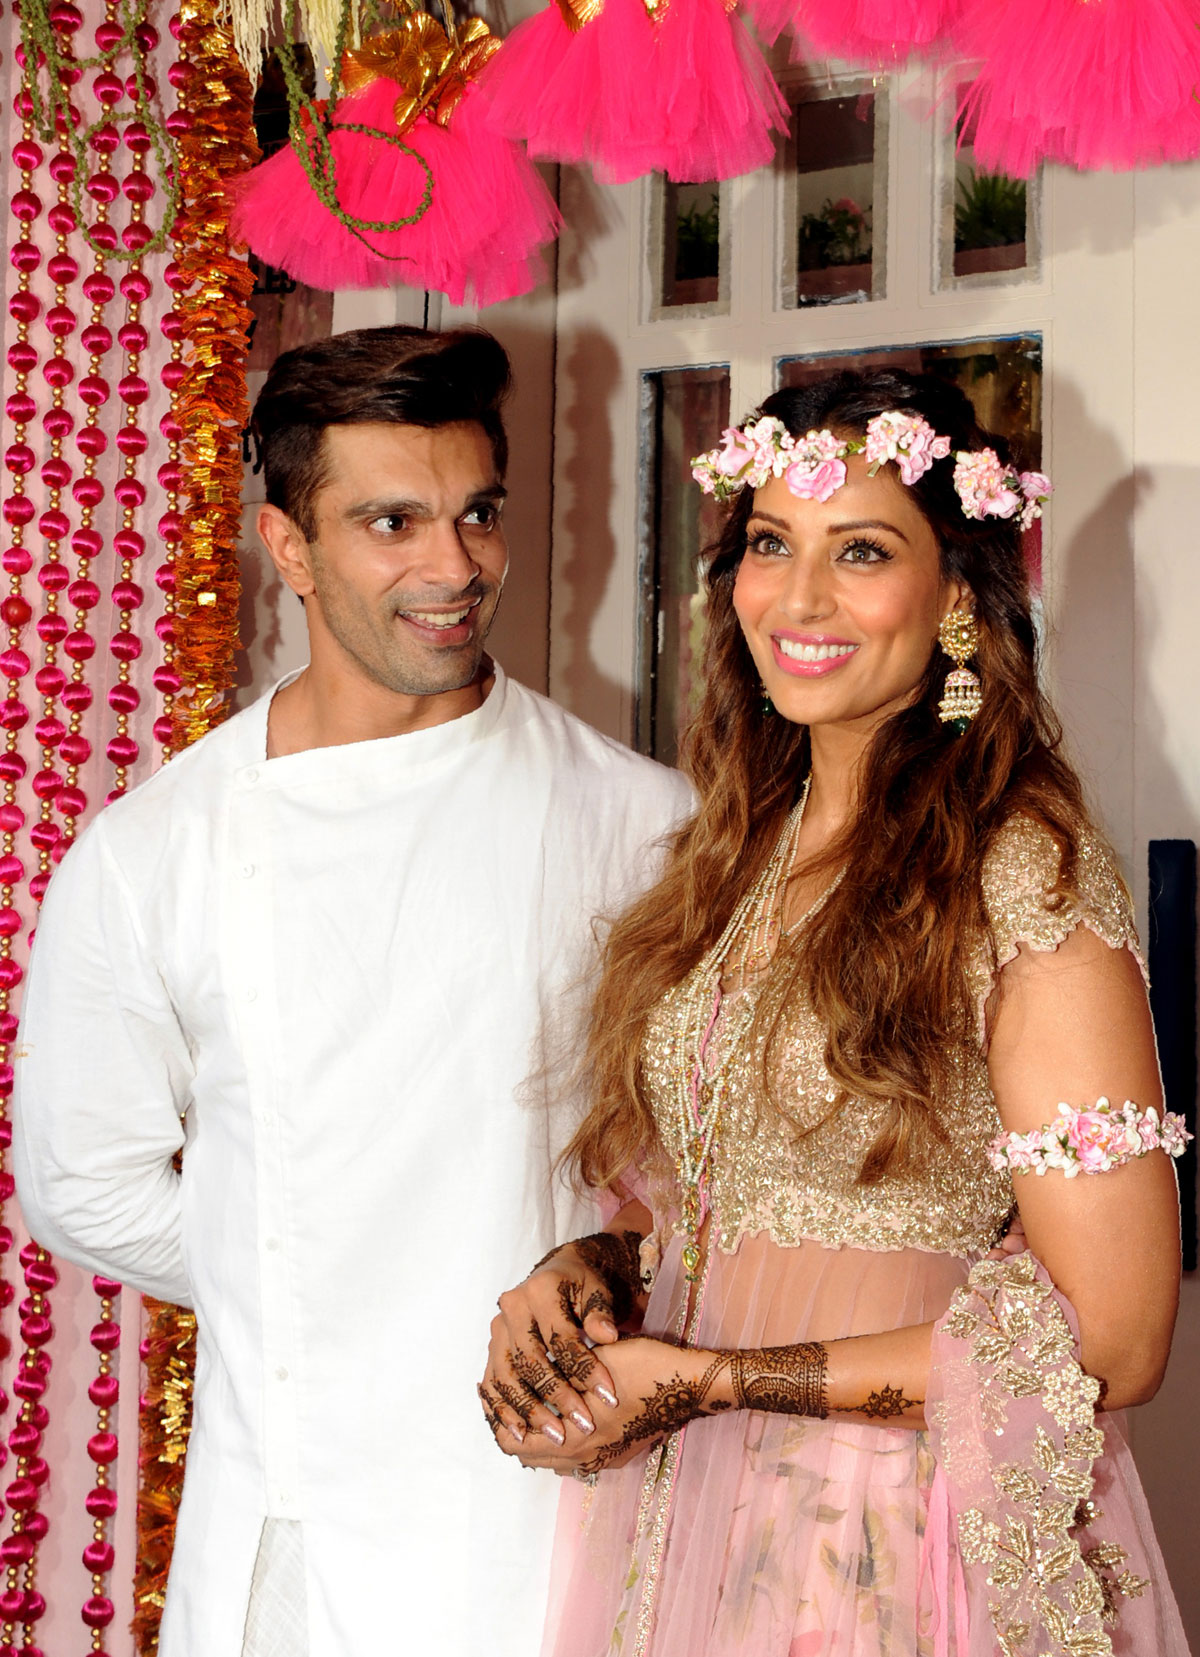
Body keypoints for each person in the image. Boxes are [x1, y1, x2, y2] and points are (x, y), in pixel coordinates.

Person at [480, 369, 1191, 1657]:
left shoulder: (1022, 873)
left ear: (958, 597)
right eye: (769, 545)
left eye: (860, 550)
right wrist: (589, 1268)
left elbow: (1120, 1335)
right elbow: (716, 1191)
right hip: (690, 1525)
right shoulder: (738, 851)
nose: (798, 599)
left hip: (891, 1549)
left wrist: (707, 1381)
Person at [12, 325, 692, 1657]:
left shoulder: (642, 820)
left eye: (477, 514)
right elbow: (80, 1180)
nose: (455, 568)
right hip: (294, 1541)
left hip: (563, 1517)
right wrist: (303, 1274)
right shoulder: (157, 850)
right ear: (286, 544)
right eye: (393, 521)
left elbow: (707, 1167)